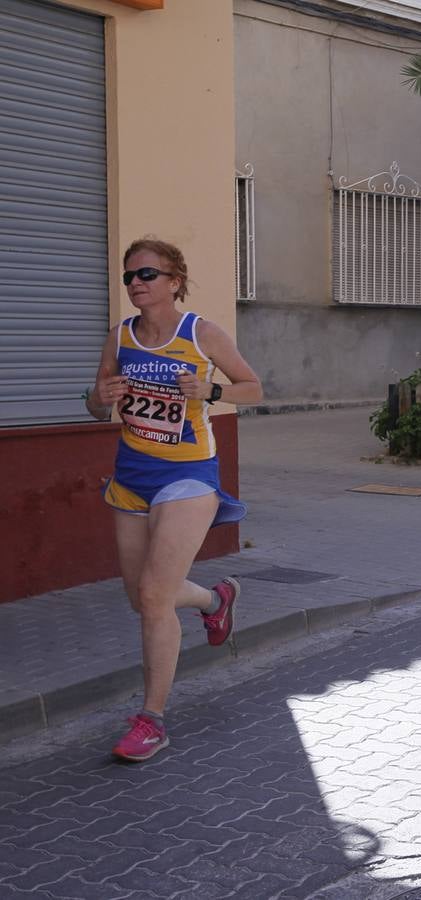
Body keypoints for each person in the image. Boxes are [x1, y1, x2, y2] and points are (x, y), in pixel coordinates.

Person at [86, 237, 264, 761]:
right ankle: (215, 600)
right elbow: (96, 404)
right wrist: (100, 398)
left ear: (174, 281)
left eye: (146, 274)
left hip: (188, 477)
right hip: (131, 479)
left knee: (155, 598)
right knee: (141, 598)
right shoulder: (119, 337)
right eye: (129, 277)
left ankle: (152, 720)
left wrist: (210, 391)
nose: (136, 284)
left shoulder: (201, 333)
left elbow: (253, 388)